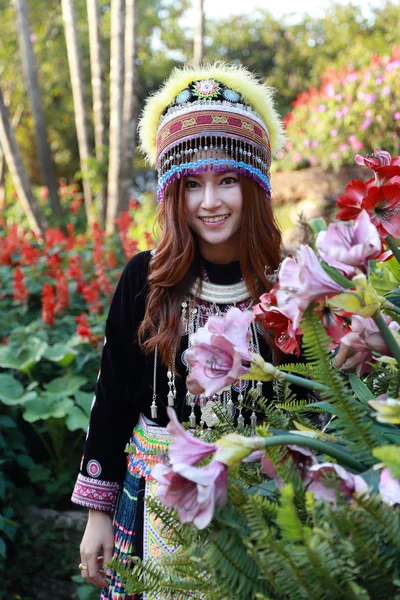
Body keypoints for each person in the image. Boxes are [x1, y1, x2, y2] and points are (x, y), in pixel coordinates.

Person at [72, 63, 287, 599]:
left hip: (263, 503)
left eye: (227, 181)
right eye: (193, 184)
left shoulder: (288, 283)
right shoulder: (145, 278)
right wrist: (97, 513)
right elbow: (113, 395)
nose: (209, 201)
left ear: (255, 185)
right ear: (173, 192)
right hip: (152, 505)